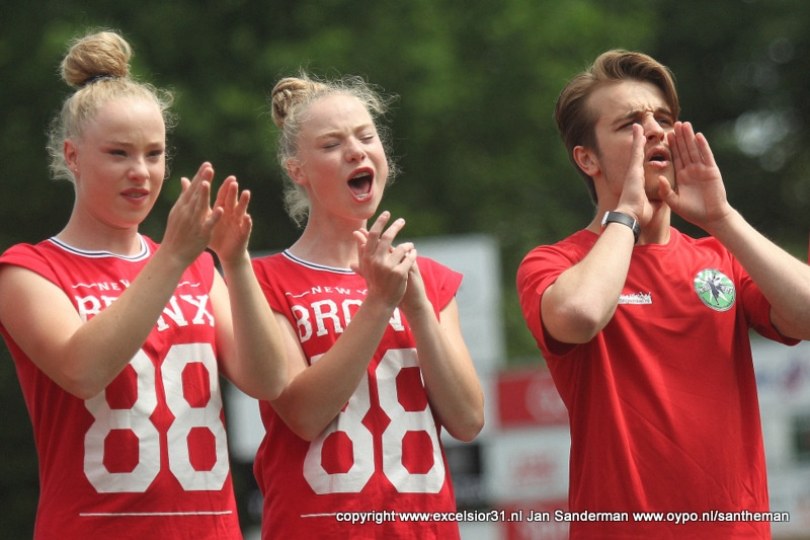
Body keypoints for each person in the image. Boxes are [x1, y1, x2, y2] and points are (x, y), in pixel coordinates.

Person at [0, 30, 286, 539]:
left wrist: (235, 263)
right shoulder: (27, 269)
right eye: (118, 154)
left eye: (154, 154)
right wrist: (175, 254)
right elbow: (84, 370)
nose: (141, 172)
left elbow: (267, 383)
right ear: (72, 156)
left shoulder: (195, 268)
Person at [516, 49, 810, 539]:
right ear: (587, 158)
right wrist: (626, 215)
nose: (655, 130)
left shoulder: (722, 254)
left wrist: (722, 218)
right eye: (631, 123)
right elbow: (581, 315)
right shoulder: (556, 263)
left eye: (665, 119)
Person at [250, 73, 485, 539]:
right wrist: (378, 302)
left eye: (366, 136)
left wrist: (417, 308)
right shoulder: (264, 280)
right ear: (298, 170)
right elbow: (304, 414)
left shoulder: (429, 279)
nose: (356, 151)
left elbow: (467, 420)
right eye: (332, 144)